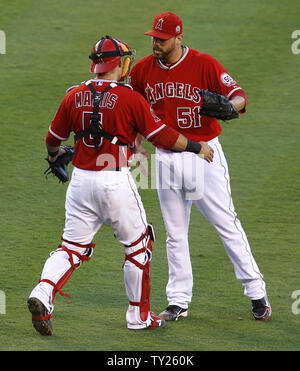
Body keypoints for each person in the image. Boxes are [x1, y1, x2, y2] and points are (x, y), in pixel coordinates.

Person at [27, 35, 214, 335]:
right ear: (121, 63)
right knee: (139, 246)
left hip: (80, 183)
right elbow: (162, 136)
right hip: (114, 182)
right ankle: (138, 317)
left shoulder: (74, 95)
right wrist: (196, 147)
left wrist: (54, 157)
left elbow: (52, 138)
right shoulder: (130, 98)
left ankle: (42, 293)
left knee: (71, 247)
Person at [130, 12, 271, 321]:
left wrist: (228, 108)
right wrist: (138, 144)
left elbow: (239, 97)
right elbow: (137, 111)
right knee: (175, 234)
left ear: (178, 38)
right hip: (164, 158)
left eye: (162, 39)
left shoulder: (204, 64)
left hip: (203, 156)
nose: (155, 43)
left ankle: (257, 293)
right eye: (153, 37)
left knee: (225, 224)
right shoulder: (142, 70)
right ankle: (178, 301)